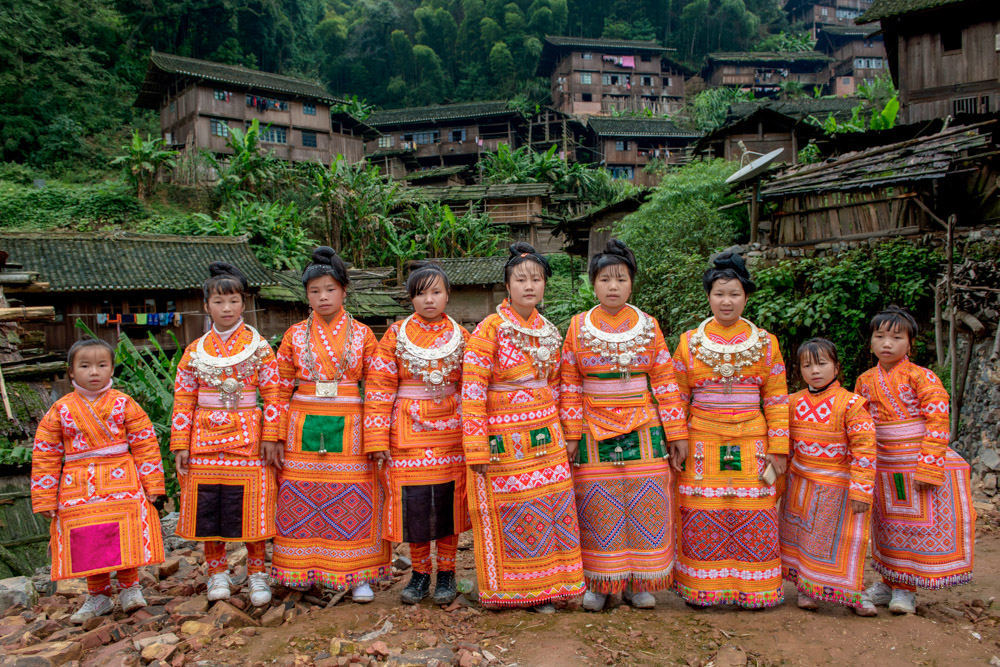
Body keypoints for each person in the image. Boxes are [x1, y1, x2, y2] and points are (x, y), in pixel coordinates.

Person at [558, 239, 688, 611]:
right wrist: (571, 434)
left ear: (632, 284)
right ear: (593, 285)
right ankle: (601, 583)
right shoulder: (577, 326)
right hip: (591, 429)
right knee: (598, 506)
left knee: (645, 502)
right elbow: (569, 383)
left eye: (620, 279)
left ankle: (638, 582)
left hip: (644, 428)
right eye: (604, 279)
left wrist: (677, 433)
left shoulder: (649, 325)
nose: (612, 286)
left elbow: (665, 381)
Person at [461, 242, 586, 612]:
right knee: (516, 511)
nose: (529, 286)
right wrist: (477, 446)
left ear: (545, 284)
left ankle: (551, 587)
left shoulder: (549, 331)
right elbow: (472, 390)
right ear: (507, 286)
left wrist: (570, 432)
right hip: (505, 442)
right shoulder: (490, 329)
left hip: (547, 437)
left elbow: (563, 385)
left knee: (552, 509)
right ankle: (518, 591)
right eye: (520, 279)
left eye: (536, 279)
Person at [268, 247, 391, 601]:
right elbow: (278, 388)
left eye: (330, 289)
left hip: (352, 425)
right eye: (315, 291)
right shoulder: (293, 336)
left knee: (355, 496)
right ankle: (301, 570)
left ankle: (357, 574)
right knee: (301, 496)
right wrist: (273, 435)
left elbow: (378, 388)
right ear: (306, 295)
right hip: (301, 423)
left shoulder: (364, 335)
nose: (323, 297)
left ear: (344, 291)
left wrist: (377, 438)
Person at [672, 252, 789, 609]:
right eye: (720, 293)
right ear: (708, 296)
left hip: (753, 441)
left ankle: (756, 589)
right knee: (700, 512)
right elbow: (676, 396)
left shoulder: (766, 343)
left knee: (755, 511)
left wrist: (778, 447)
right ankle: (701, 589)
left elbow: (776, 397)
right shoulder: (689, 342)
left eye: (734, 294)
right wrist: (677, 439)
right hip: (701, 440)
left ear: (746, 296)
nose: (727, 301)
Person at [32, 338, 165, 623]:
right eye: (85, 366)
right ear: (71, 371)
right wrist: (44, 497)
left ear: (112, 369)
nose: (94, 372)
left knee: (125, 535)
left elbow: (145, 443)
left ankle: (130, 588)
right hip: (78, 485)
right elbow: (46, 454)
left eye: (102, 365)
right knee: (88, 540)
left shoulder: (124, 403)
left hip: (122, 480)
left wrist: (153, 483)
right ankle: (98, 596)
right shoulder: (60, 410)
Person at [171, 262, 280, 607]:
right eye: (218, 301)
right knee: (209, 506)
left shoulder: (260, 347)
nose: (227, 308)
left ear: (243, 303)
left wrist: (271, 436)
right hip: (202, 442)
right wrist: (180, 442)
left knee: (252, 505)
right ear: (206, 306)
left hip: (249, 441)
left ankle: (257, 572)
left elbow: (274, 394)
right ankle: (217, 572)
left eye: (233, 300)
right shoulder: (194, 351)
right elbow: (183, 398)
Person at [854, 306, 975, 614]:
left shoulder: (923, 376)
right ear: (871, 341)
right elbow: (858, 425)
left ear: (910, 343)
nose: (887, 343)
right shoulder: (865, 380)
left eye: (896, 337)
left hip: (915, 464)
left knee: (913, 527)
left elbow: (938, 420)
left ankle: (906, 589)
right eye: (880, 336)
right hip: (882, 464)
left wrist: (929, 466)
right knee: (885, 525)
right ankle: (887, 582)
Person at [365, 262, 470, 605]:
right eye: (421, 293)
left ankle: (448, 572)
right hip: (406, 434)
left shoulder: (462, 336)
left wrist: (475, 436)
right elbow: (379, 386)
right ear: (411, 298)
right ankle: (421, 573)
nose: (429, 299)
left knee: (449, 502)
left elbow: (472, 387)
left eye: (436, 292)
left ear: (448, 295)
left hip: (452, 435)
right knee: (416, 504)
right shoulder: (395, 335)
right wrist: (377, 437)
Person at [779, 338, 877, 615]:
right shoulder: (791, 402)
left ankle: (853, 593)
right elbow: (784, 448)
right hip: (800, 484)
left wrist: (861, 490)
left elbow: (865, 449)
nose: (815, 371)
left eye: (822, 364)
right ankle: (805, 589)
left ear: (836, 366)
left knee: (845, 540)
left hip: (838, 487)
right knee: (802, 538)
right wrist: (776, 485)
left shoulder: (852, 404)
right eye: (807, 366)